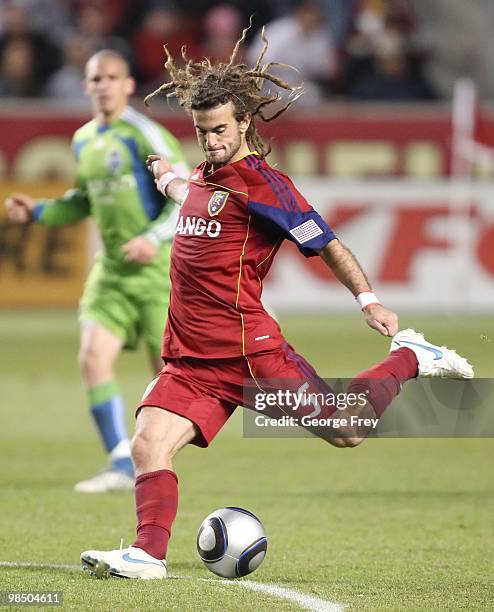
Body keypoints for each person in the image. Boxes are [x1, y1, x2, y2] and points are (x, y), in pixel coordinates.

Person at [79, 30, 473, 578]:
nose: (211, 141)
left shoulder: (265, 186)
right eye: (201, 132)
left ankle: (411, 356)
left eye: (219, 130)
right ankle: (148, 555)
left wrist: (369, 299)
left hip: (250, 354)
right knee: (148, 445)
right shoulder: (200, 176)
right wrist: (164, 176)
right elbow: (187, 195)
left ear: (244, 125)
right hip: (192, 359)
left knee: (346, 430)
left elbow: (327, 243)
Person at [4, 50, 189, 493]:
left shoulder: (146, 134)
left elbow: (187, 197)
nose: (103, 85)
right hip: (110, 271)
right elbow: (83, 200)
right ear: (86, 86)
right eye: (95, 78)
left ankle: (154, 462)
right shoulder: (84, 139)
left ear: (128, 85)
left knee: (166, 375)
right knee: (92, 357)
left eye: (112, 77)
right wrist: (39, 212)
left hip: (158, 272)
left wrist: (153, 238)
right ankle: (121, 462)